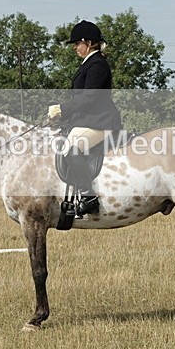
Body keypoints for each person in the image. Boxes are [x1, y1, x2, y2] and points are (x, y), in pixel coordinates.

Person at [48, 20, 122, 217]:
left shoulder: (97, 64)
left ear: (88, 42)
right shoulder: (89, 63)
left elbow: (90, 97)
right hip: (89, 120)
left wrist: (62, 109)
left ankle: (89, 198)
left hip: (100, 121)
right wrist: (62, 117)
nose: (74, 48)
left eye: (77, 43)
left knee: (72, 150)